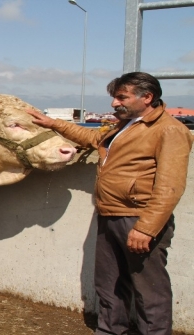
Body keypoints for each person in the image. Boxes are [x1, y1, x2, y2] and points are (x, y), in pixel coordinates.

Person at [27, 72, 193, 335]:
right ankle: (110, 331)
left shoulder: (170, 130)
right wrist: (52, 123)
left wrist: (146, 229)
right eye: (115, 97)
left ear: (147, 97)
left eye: (121, 97)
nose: (114, 103)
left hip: (138, 219)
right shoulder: (126, 125)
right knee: (109, 283)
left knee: (149, 289)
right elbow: (92, 138)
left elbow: (170, 187)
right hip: (110, 213)